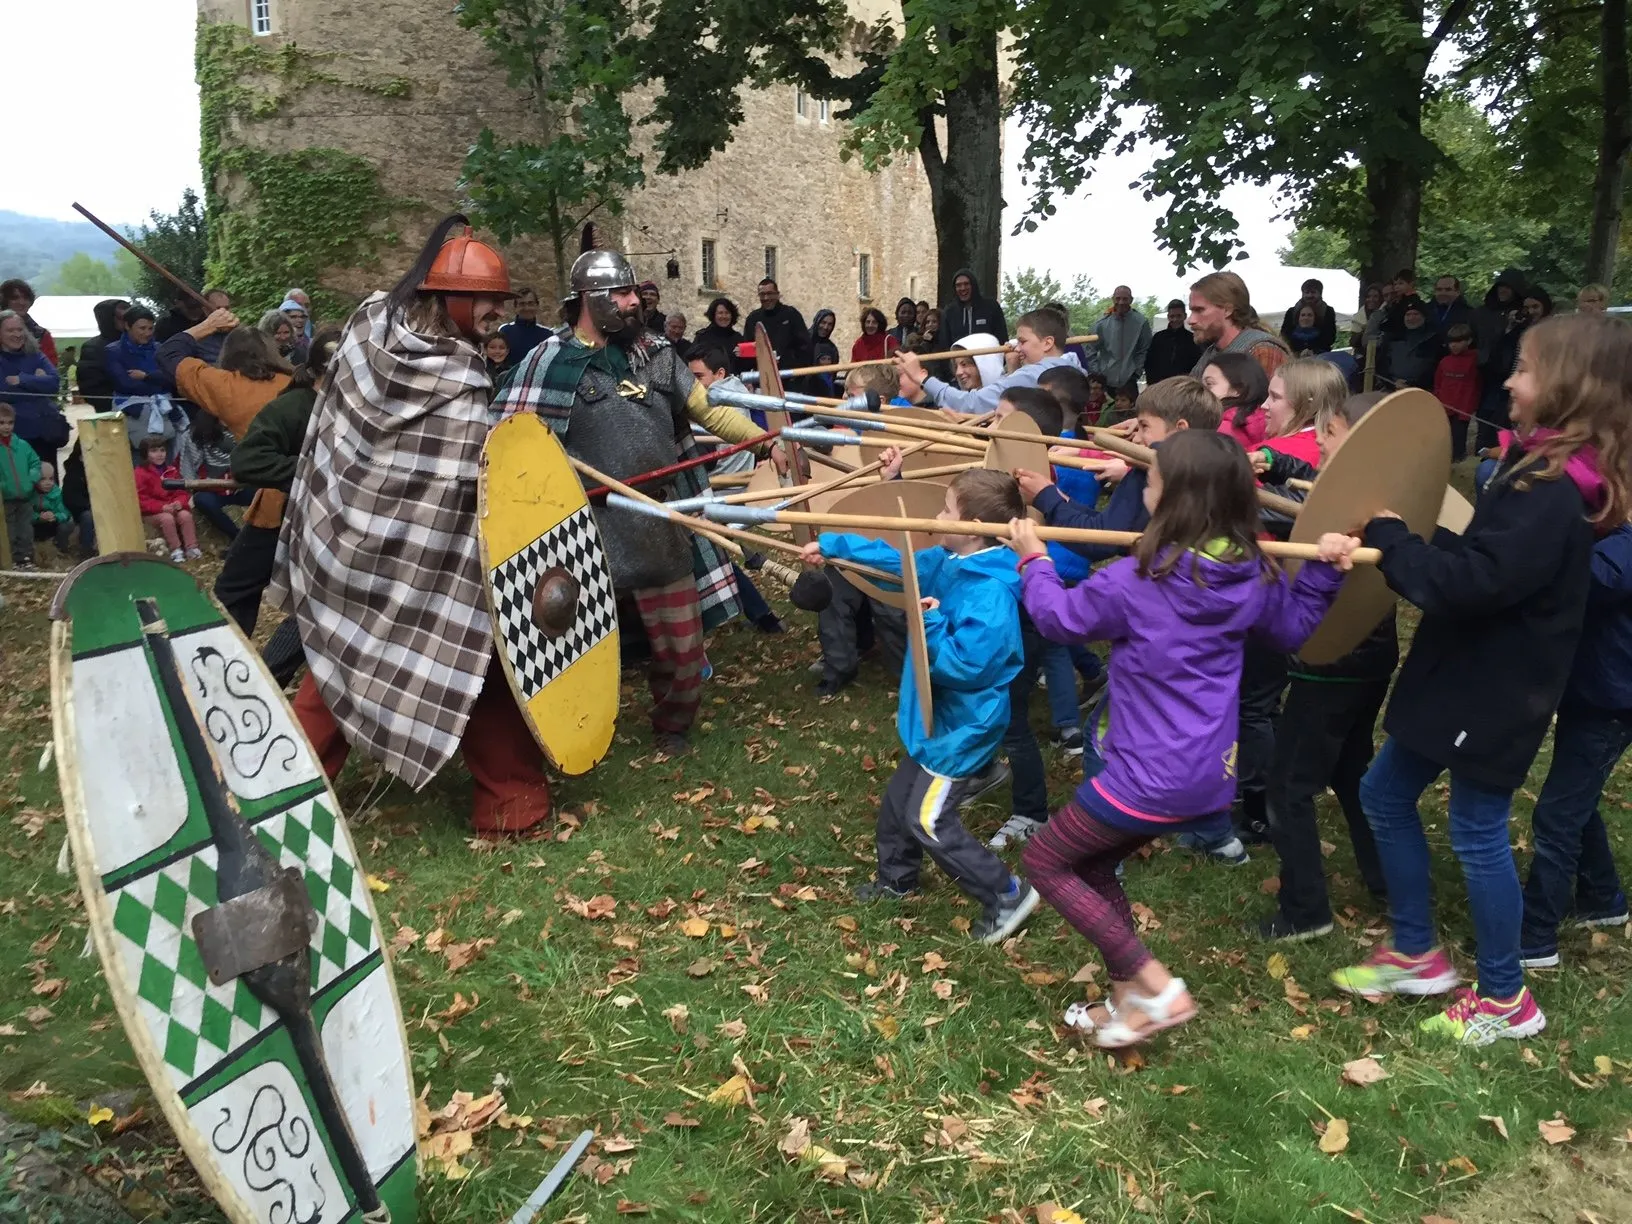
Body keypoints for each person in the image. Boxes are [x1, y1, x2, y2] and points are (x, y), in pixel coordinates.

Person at [1330, 312, 1632, 1045]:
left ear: (1567, 387)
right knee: (1384, 792)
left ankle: (1505, 997)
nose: (1507, 379)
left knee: (1475, 829)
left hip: (1498, 687)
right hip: (1462, 670)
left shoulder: (1551, 489)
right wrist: (1401, 539)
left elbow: (1474, 583)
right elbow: (1484, 563)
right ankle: (1417, 952)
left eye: (1524, 369)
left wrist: (1393, 539)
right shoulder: (1531, 469)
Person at [1010, 429, 1357, 1046]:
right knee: (1094, 864)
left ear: (1178, 499)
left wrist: (1034, 561)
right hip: (1204, 776)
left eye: (1154, 478)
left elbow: (1058, 619)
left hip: (1143, 777)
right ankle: (1128, 1002)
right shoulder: (1252, 574)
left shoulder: (1134, 581)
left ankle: (1157, 985)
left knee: (1045, 860)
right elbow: (1297, 627)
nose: (1146, 483)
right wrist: (1325, 572)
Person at [272, 215, 556, 833]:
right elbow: (446, 471)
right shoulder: (454, 375)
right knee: (462, 647)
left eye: (499, 302)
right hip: (388, 543)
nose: (495, 314)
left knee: (350, 657)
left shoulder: (370, 330)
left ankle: (278, 799)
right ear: (445, 296)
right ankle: (509, 801)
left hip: (355, 538)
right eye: (484, 300)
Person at [497, 246, 768, 754]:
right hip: (590, 529)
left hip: (660, 518)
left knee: (684, 651)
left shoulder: (657, 355)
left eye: (633, 291)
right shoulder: (550, 363)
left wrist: (762, 437)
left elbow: (708, 410)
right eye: (621, 293)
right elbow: (511, 442)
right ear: (589, 298)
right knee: (570, 644)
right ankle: (571, 731)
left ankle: (672, 726)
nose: (633, 301)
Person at [807, 469, 1040, 944]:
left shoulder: (989, 590)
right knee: (898, 804)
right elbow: (900, 565)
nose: (937, 518)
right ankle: (898, 880)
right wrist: (833, 547)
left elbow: (968, 668)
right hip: (937, 719)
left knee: (928, 818)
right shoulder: (952, 560)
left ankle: (1005, 893)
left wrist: (929, 622)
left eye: (946, 512)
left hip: (964, 727)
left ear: (972, 525)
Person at [1252, 391, 1395, 940]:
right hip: (1370, 658)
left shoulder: (1354, 510)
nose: (1317, 439)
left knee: (1289, 786)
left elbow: (1301, 510)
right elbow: (1308, 478)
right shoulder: (1374, 492)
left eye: (1329, 433)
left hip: (1330, 660)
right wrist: (1277, 463)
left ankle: (1304, 910)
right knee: (1351, 772)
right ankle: (1387, 878)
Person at [1518, 519, 1632, 967]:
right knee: (1574, 802)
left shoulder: (1623, 545)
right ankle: (1602, 898)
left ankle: (1534, 938)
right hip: (1594, 694)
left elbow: (1593, 579)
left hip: (1610, 703)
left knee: (1557, 816)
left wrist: (1547, 542)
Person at [219, 328, 341, 636]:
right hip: (281, 515)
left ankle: (276, 674)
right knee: (234, 591)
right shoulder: (292, 407)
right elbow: (247, 460)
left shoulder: (360, 409)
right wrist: (310, 469)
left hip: (336, 521)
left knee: (323, 604)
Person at [684, 345, 783, 634]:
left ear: (720, 374)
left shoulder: (719, 403)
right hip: (733, 489)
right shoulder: (735, 390)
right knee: (714, 550)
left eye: (698, 376)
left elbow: (709, 450)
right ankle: (762, 611)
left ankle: (763, 615)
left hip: (722, 493)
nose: (693, 385)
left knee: (709, 553)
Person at [157, 310, 293, 478]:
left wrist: (207, 326)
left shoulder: (224, 385)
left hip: (268, 481)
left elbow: (168, 354)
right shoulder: (295, 380)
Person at [901, 309, 1076, 415]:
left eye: (1023, 342)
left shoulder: (1037, 374)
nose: (1018, 348)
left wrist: (921, 377)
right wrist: (1014, 368)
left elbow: (972, 404)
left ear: (1047, 343)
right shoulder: (1071, 368)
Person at [1188, 271, 1288, 382]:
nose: (1190, 320)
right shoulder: (1210, 354)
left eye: (1199, 310)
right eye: (1192, 311)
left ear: (1227, 310)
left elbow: (1274, 398)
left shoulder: (1262, 351)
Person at [0, 311, 68, 462]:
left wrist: (22, 379)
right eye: (10, 330)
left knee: (48, 483)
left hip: (45, 435)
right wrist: (38, 381)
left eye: (20, 329)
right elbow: (4, 391)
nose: (17, 334)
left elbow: (54, 383)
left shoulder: (35, 355)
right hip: (13, 436)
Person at [1474, 269, 1528, 453]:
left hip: (1511, 373)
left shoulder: (1524, 313)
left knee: (1505, 420)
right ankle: (1481, 454)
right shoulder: (1485, 313)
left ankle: (1501, 455)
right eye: (1501, 287)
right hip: (1488, 372)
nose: (1503, 291)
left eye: (1508, 288)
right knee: (1485, 417)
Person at [178, 411, 253, 540]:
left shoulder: (244, 429)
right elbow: (189, 471)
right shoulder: (195, 435)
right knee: (202, 500)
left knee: (265, 494)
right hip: (213, 490)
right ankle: (238, 538)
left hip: (242, 487)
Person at [133, 435, 201, 563]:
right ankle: (176, 550)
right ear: (145, 453)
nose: (160, 454)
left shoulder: (171, 471)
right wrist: (161, 507)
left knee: (185, 515)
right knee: (167, 518)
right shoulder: (140, 473)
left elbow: (181, 491)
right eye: (154, 451)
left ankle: (192, 548)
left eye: (162, 450)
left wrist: (179, 502)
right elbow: (141, 499)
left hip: (171, 507)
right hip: (152, 512)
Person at [1199, 349, 1270, 451]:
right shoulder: (1263, 420)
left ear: (1238, 389)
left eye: (1209, 384)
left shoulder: (1220, 431)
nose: (1200, 390)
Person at [0, 403, 43, 569]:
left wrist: (31, 478)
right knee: (8, 532)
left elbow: (35, 462)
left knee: (25, 530)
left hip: (25, 497)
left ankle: (25, 560)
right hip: (6, 499)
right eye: (2, 422)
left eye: (10, 423)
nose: (6, 427)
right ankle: (9, 561)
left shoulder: (22, 445)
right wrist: (3, 486)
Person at [1434, 322, 1481, 461]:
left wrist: (1471, 407)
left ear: (1469, 341)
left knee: (1459, 442)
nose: (1454, 345)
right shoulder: (1444, 361)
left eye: (1459, 341)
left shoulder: (1476, 360)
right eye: (1451, 342)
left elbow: (1476, 385)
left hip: (1463, 410)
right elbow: (1438, 383)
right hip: (1445, 407)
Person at [1091, 287, 1151, 392]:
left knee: (1129, 409)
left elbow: (1144, 349)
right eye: (1118, 298)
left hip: (1129, 380)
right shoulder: (1101, 324)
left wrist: (1136, 372)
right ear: (1113, 299)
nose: (1121, 302)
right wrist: (1097, 373)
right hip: (1105, 381)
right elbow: (1090, 349)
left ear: (1131, 300)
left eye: (1125, 299)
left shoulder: (1141, 322)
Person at [743, 279, 811, 370]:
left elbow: (804, 345)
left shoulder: (791, 314)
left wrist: (790, 363)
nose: (766, 298)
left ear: (777, 295)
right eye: (762, 294)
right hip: (763, 374)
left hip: (790, 375)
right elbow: (748, 349)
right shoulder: (753, 319)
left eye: (770, 293)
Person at [76, 299, 129, 410]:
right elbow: (91, 389)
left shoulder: (141, 342)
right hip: (114, 413)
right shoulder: (93, 348)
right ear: (108, 319)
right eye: (122, 318)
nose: (127, 322)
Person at [936, 269, 1008, 348]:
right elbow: (945, 343)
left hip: (987, 358)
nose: (963, 288)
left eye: (966, 284)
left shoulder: (991, 307)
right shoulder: (949, 312)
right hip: (959, 359)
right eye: (958, 285)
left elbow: (1002, 338)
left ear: (973, 285)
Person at [1381, 298, 1440, 391]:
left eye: (1416, 314)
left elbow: (1433, 369)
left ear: (1424, 317)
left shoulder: (1433, 339)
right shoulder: (1393, 338)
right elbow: (1383, 364)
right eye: (1408, 314)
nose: (1411, 318)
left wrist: (1411, 384)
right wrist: (1391, 383)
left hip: (1421, 391)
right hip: (1392, 388)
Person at [0, 280, 57, 365]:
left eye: (26, 298)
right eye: (15, 298)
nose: (21, 302)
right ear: (4, 300)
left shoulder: (41, 335)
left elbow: (50, 371)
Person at [1145, 299, 1201, 385]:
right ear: (1168, 317)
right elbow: (1149, 364)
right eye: (1172, 316)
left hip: (1183, 387)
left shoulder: (1192, 339)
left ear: (1185, 316)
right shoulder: (1158, 338)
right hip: (1159, 386)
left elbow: (1197, 366)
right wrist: (1151, 385)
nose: (1175, 319)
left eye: (1179, 316)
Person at [1279, 279, 1337, 353]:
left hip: (1320, 353)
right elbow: (1284, 334)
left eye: (1313, 292)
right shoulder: (1292, 311)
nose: (1309, 295)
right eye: (1307, 292)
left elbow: (1330, 337)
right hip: (1294, 353)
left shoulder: (1328, 311)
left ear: (1320, 293)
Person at [31, 462, 74, 557]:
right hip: (37, 526)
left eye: (51, 479)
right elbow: (26, 515)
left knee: (67, 525)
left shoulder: (56, 493)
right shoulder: (30, 494)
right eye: (42, 479)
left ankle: (61, 551)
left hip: (52, 524)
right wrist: (39, 517)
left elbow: (65, 513)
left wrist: (55, 516)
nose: (48, 482)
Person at [500, 287, 553, 363]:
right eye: (522, 304)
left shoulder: (548, 334)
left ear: (537, 306)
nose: (526, 308)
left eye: (530, 303)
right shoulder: (505, 331)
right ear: (515, 307)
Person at [1350, 284, 1384, 353]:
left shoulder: (1385, 314)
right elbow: (1353, 342)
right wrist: (1363, 331)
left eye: (1375, 296)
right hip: (1362, 355)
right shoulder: (1360, 316)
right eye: (1368, 296)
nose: (1371, 299)